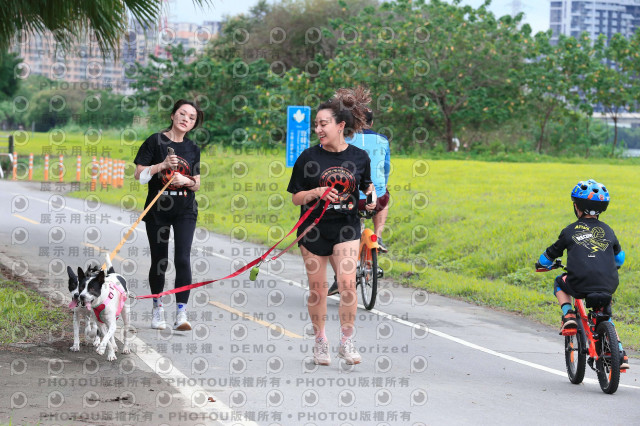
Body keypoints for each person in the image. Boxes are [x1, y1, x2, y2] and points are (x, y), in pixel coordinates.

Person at [287, 87, 376, 365]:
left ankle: (346, 341)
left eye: (323, 124)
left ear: (340, 126)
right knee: (318, 290)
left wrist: (370, 198)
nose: (318, 129)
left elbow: (366, 186)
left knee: (348, 285)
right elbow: (296, 197)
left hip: (346, 228)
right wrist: (316, 192)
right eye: (316, 124)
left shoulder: (360, 157)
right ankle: (321, 341)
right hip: (313, 229)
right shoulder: (308, 158)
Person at [538, 179, 629, 370]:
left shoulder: (569, 231)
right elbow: (620, 258)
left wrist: (542, 264)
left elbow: (547, 257)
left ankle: (569, 315)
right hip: (608, 282)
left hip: (579, 283)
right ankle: (620, 351)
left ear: (576, 207)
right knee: (605, 314)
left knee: (559, 281)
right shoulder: (608, 230)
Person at [133, 99, 203, 331]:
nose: (186, 119)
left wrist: (186, 180)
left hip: (185, 210)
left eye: (191, 118)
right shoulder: (156, 141)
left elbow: (197, 184)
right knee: (159, 260)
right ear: (173, 115)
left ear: (194, 124)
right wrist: (162, 165)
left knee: (182, 258)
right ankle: (158, 309)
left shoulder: (193, 148)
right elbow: (139, 175)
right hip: (158, 210)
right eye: (182, 114)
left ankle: (181, 313)